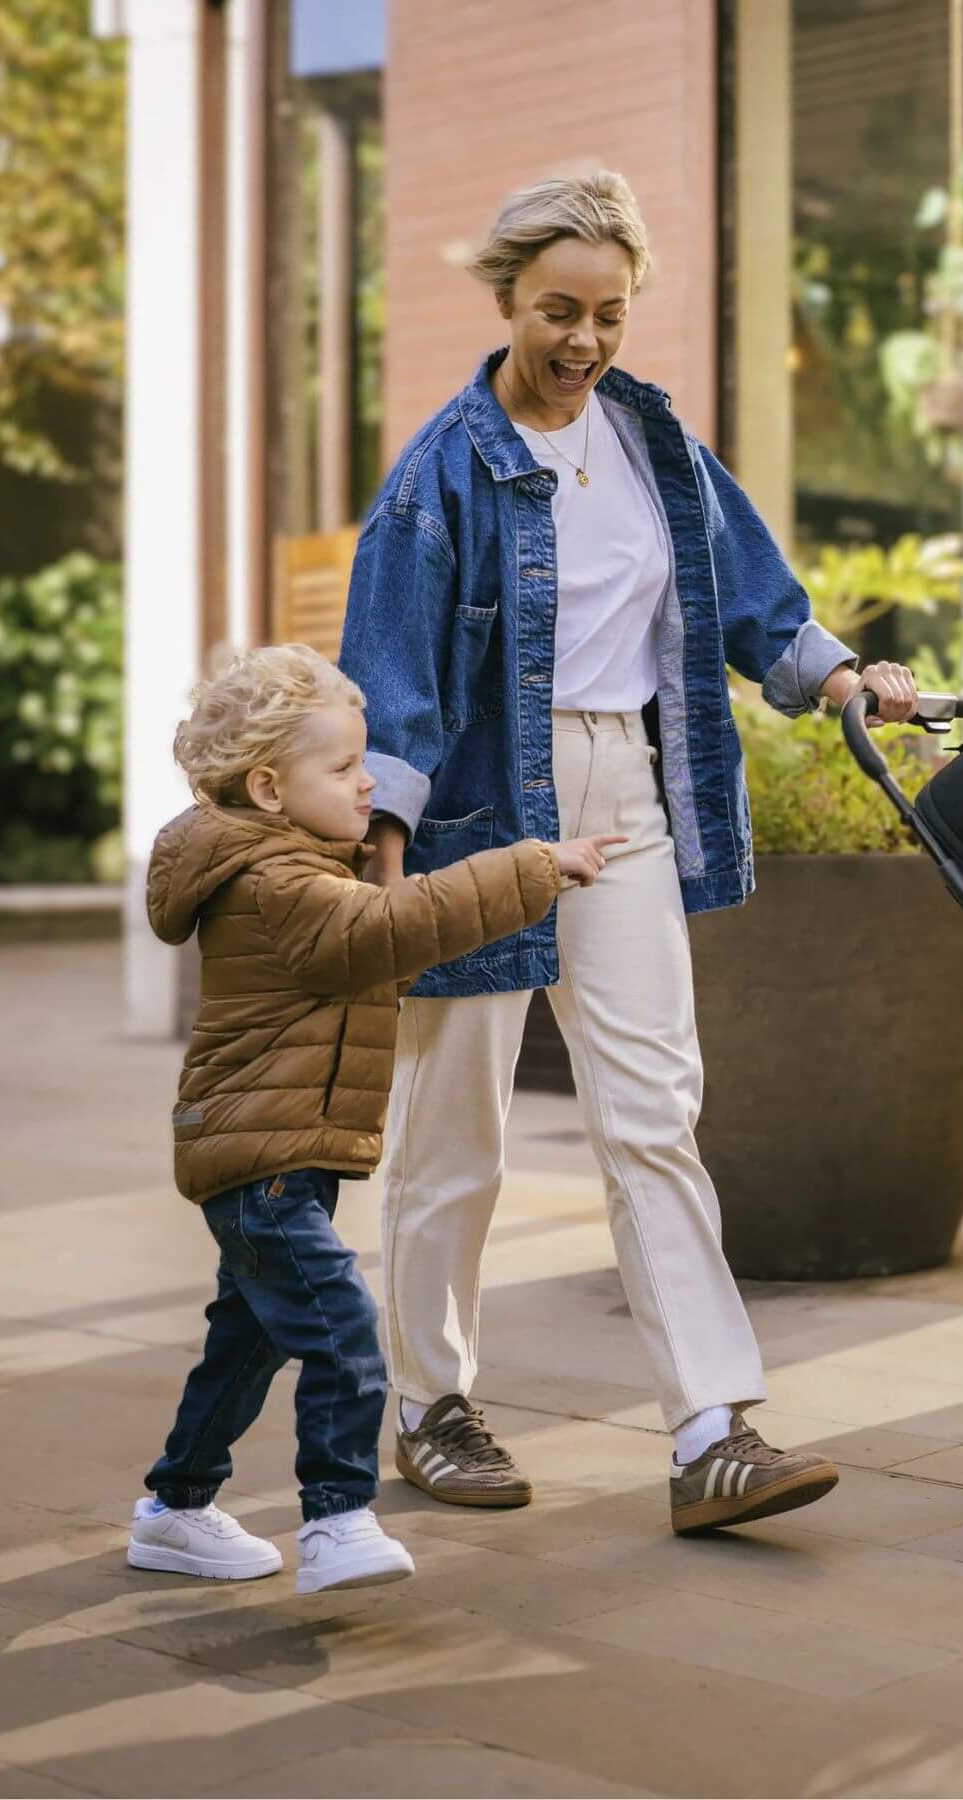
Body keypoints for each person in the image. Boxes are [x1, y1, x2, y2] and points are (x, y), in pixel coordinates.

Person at [340, 169, 919, 1533]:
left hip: (624, 789)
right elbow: (393, 672)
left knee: (654, 1110)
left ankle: (715, 1431)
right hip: (479, 806)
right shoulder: (441, 470)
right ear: (506, 301)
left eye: (607, 313)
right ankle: (428, 1407)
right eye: (558, 311)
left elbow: (753, 599)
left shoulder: (654, 441)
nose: (585, 341)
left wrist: (841, 679)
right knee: (454, 1130)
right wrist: (383, 849)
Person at [128, 645, 620, 1592]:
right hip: (260, 1159)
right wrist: (533, 867)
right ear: (269, 788)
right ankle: (336, 1519)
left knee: (248, 1341)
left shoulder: (294, 864)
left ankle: (177, 1507)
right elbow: (384, 933)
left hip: (273, 1152)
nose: (368, 785)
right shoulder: (279, 887)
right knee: (347, 1334)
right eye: (345, 769)